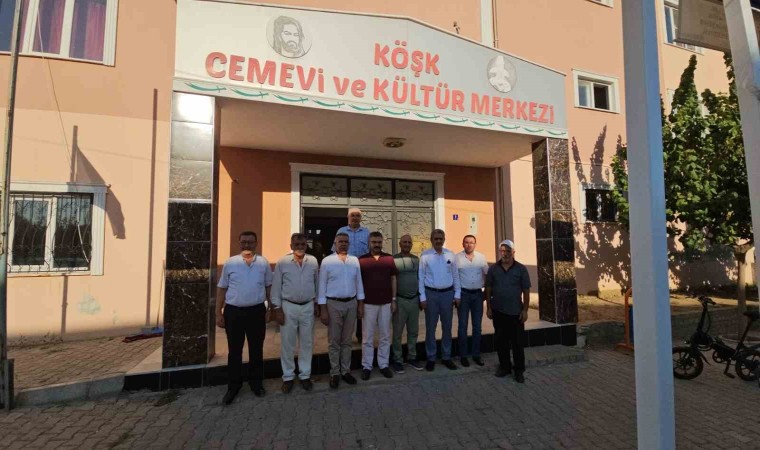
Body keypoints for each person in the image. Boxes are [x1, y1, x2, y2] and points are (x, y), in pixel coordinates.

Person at [216, 231, 272, 405]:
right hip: (234, 312)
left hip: (256, 312)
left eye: (250, 242)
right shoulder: (230, 263)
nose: (247, 245)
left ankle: (256, 383)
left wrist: (270, 308)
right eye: (244, 242)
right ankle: (233, 386)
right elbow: (222, 289)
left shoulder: (263, 263)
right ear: (239, 243)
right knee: (234, 351)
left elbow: (269, 287)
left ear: (256, 243)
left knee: (256, 349)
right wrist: (218, 312)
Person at [270, 233, 319, 393]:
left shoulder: (313, 261)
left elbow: (317, 283)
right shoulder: (283, 262)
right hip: (288, 307)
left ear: (306, 245)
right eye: (296, 244)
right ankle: (288, 377)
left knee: (307, 343)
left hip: (308, 306)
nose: (300, 247)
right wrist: (277, 309)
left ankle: (305, 375)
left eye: (302, 244)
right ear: (291, 246)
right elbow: (276, 287)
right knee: (288, 344)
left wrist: (317, 303)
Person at [318, 233, 365, 389]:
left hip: (351, 303)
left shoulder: (354, 260)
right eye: (340, 241)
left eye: (346, 241)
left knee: (347, 341)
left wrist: (360, 304)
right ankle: (334, 373)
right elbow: (321, 286)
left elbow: (359, 283)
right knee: (334, 341)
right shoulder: (327, 261)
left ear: (349, 244)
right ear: (335, 243)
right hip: (333, 304)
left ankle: (345, 371)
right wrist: (323, 309)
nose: (343, 244)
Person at [485, 240, 531, 383]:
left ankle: (519, 371)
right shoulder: (493, 269)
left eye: (508, 251)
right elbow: (488, 288)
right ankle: (505, 367)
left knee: (517, 343)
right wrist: (489, 307)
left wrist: (525, 310)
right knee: (501, 341)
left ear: (513, 252)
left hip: (516, 313)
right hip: (498, 311)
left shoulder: (521, 269)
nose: (505, 254)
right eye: (503, 251)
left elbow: (526, 290)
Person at [418, 229, 461, 371]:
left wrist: (457, 294)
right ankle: (431, 357)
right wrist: (422, 297)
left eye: (440, 238)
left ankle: (446, 357)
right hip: (431, 295)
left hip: (447, 295)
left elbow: (455, 275)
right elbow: (421, 277)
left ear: (444, 239)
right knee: (430, 327)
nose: (438, 241)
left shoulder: (450, 255)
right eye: (435, 238)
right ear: (431, 240)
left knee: (447, 327)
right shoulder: (425, 256)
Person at [358, 231, 397, 380]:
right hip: (368, 304)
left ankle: (383, 365)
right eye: (374, 242)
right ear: (369, 243)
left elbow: (393, 279)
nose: (377, 245)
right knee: (367, 337)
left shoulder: (389, 259)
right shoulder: (362, 260)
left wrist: (394, 299)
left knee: (385, 336)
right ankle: (367, 366)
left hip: (386, 303)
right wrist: (360, 303)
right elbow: (358, 282)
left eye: (379, 242)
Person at [334, 208, 370, 341]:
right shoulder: (341, 231)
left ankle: (360, 334)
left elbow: (370, 251)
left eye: (357, 216)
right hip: (345, 271)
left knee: (361, 300)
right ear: (348, 217)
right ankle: (344, 335)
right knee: (347, 299)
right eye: (352, 215)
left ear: (361, 218)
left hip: (363, 271)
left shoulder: (366, 232)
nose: (355, 218)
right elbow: (335, 251)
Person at [455, 235, 489, 367]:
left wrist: (486, 292)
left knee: (477, 327)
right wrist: (456, 296)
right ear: (462, 244)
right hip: (463, 295)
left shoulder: (481, 258)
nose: (469, 245)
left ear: (475, 244)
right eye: (467, 242)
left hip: (477, 295)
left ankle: (476, 355)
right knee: (462, 326)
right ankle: (463, 356)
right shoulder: (457, 258)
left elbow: (487, 274)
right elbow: (454, 277)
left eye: (472, 242)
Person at [391, 234, 424, 373]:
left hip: (414, 300)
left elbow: (420, 278)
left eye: (409, 242)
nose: (406, 244)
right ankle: (397, 359)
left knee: (413, 331)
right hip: (400, 300)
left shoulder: (416, 260)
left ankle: (412, 356)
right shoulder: (393, 260)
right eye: (404, 242)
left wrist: (421, 297)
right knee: (397, 332)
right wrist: (393, 300)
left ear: (411, 244)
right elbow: (391, 279)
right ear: (400, 244)